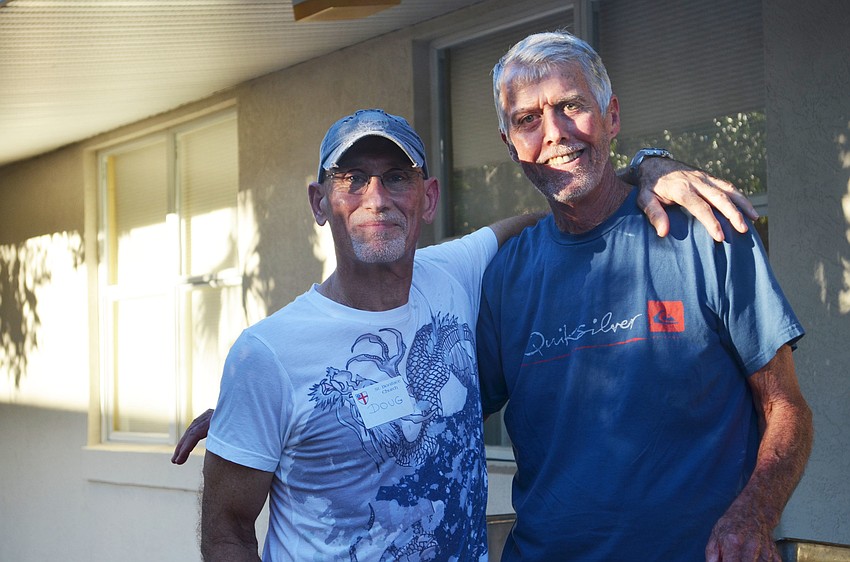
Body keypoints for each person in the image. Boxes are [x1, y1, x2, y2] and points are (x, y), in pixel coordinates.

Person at [186, 108, 755, 561]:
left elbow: (553, 218)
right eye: (352, 179)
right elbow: (226, 530)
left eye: (397, 178)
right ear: (320, 202)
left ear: (428, 198)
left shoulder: (453, 272)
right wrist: (252, 412)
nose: (376, 198)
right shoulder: (267, 355)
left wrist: (644, 169)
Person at [476, 30, 814, 562]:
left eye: (571, 106)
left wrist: (755, 513)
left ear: (611, 116)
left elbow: (785, 406)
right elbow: (449, 421)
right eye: (528, 120)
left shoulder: (708, 234)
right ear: (510, 143)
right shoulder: (504, 278)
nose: (555, 133)